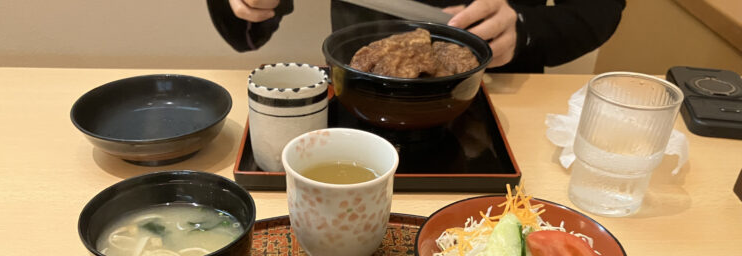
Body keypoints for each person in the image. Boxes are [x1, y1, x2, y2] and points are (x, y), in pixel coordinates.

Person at [208, 0, 626, 73]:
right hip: (357, 80)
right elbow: (245, 29)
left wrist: (525, 29)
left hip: (498, 85)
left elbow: (598, 9)